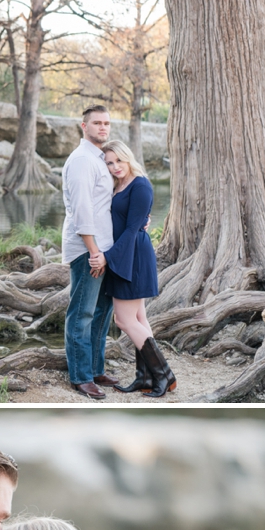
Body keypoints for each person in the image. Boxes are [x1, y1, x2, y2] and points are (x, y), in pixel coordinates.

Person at [102, 139, 177, 398]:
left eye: (118, 161)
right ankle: (145, 377)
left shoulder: (140, 184)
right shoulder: (118, 184)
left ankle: (164, 373)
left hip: (132, 255)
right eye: (109, 163)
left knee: (123, 319)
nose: (115, 167)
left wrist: (107, 258)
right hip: (126, 252)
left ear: (128, 157)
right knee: (139, 319)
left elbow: (133, 228)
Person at [61, 105, 118, 400]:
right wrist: (94, 251)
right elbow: (81, 211)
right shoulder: (82, 160)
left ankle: (96, 369)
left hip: (104, 249)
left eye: (107, 123)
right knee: (82, 312)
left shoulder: (99, 159)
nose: (103, 128)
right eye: (97, 123)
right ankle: (80, 376)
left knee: (102, 310)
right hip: (88, 249)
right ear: (83, 126)